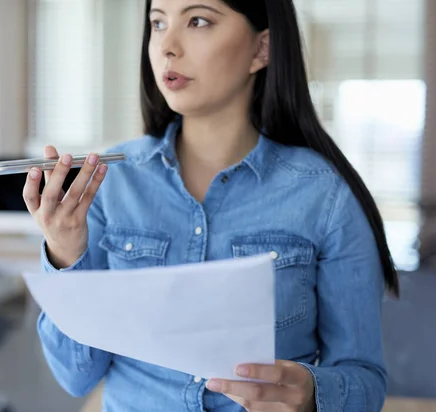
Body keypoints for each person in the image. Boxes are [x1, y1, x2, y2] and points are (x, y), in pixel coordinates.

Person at [22, 0, 399, 411]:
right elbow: (75, 377)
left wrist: (311, 394)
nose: (167, 45)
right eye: (158, 22)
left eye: (198, 21)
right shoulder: (110, 184)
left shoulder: (325, 197)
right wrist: (64, 254)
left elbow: (364, 380)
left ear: (262, 50)